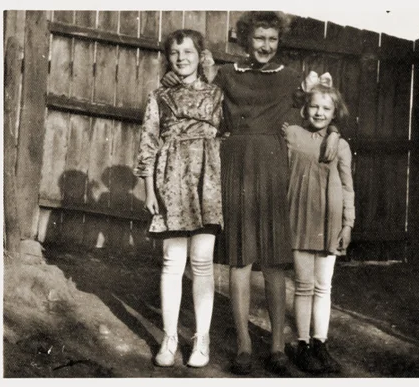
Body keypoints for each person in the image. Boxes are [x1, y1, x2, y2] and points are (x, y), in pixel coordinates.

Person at [161, 11, 341, 375]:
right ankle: (243, 344)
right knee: (240, 260)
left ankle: (276, 347)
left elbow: (320, 112)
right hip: (236, 167)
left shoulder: (292, 78)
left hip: (274, 170)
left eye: (272, 39)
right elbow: (186, 84)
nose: (265, 46)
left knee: (274, 262)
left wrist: (334, 132)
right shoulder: (227, 74)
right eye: (259, 38)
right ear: (246, 40)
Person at [134, 29, 223, 368]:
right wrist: (148, 188)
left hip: (207, 181)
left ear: (201, 56)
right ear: (168, 58)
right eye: (175, 53)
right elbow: (148, 141)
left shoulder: (217, 95)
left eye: (188, 51)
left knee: (202, 262)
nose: (182, 58)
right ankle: (169, 338)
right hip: (170, 180)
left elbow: (232, 133)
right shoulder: (159, 96)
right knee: (172, 262)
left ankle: (202, 339)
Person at [283, 77, 355, 375]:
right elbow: (282, 113)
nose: (319, 112)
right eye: (313, 106)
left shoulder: (340, 145)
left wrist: (348, 223)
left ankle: (320, 342)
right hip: (300, 217)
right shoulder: (292, 135)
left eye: (326, 108)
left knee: (323, 286)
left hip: (330, 221)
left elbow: (348, 187)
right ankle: (301, 343)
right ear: (305, 109)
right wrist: (303, 88)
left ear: (335, 112)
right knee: (303, 285)